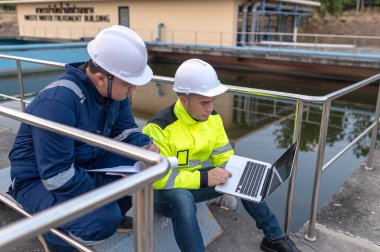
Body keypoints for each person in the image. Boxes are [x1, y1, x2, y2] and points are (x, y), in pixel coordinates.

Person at [8, 25, 158, 251]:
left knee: (142, 167)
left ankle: (111, 213)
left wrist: (144, 146)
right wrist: (108, 187)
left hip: (82, 162)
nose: (133, 88)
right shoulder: (58, 103)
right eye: (128, 83)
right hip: (36, 179)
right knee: (102, 220)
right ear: (100, 78)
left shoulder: (115, 92)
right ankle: (56, 235)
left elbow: (125, 130)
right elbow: (57, 177)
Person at [142, 59, 300, 252]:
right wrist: (204, 177)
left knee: (243, 175)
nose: (210, 108)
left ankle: (275, 237)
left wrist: (247, 173)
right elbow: (158, 179)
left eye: (213, 101)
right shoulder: (158, 128)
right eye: (204, 103)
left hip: (194, 184)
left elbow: (225, 156)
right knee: (182, 199)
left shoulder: (212, 118)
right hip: (161, 195)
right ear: (184, 100)